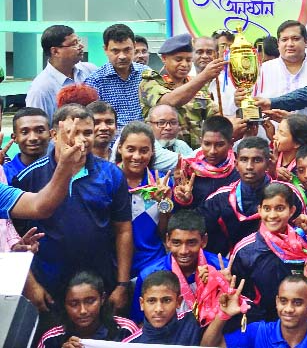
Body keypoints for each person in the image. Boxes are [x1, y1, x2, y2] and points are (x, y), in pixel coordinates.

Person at [12, 104, 133, 314]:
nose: (81, 140)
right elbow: (14, 238)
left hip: (100, 283)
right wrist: (32, 285)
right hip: (48, 285)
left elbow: (123, 230)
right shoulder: (27, 178)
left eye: (87, 133)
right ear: (53, 135)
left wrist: (122, 285)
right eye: (72, 133)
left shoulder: (112, 175)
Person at [230, 183, 307, 321]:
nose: (272, 215)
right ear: (259, 210)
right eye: (267, 208)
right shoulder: (244, 251)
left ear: (291, 211)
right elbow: (241, 297)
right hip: (262, 328)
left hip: (300, 324)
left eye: (280, 208)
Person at [201, 137, 300, 255]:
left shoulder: (289, 194)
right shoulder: (219, 199)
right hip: (232, 266)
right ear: (236, 164)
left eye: (257, 160)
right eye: (244, 160)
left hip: (280, 261)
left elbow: (301, 235)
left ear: (268, 164)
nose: (249, 166)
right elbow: (200, 236)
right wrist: (181, 202)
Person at [131, 210, 226, 323]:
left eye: (191, 243)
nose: (183, 251)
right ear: (167, 241)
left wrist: (225, 286)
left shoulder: (222, 268)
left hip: (212, 336)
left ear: (204, 241)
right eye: (176, 242)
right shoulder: (149, 275)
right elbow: (140, 323)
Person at [139, 33, 224, 149]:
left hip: (195, 155)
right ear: (164, 58)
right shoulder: (151, 82)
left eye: (188, 60)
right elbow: (169, 102)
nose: (184, 64)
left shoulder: (196, 84)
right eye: (178, 59)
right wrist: (204, 76)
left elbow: (214, 116)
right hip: (162, 154)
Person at [203, 275, 307, 348]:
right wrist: (223, 314)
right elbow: (208, 346)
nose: (288, 309)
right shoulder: (258, 332)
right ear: (276, 301)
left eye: (297, 302)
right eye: (283, 301)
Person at [116, 121, 171, 278]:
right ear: (120, 148)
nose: (137, 157)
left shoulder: (162, 182)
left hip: (152, 265)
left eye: (144, 150)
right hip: (115, 266)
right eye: (131, 149)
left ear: (153, 152)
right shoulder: (107, 180)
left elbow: (164, 233)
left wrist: (163, 203)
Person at [255, 20, 307, 126]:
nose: (290, 44)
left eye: (295, 39)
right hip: (268, 140)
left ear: (306, 42)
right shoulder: (261, 71)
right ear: (278, 44)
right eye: (284, 40)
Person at [36, 271, 139, 348]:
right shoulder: (50, 339)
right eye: (73, 304)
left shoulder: (125, 329)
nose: (83, 311)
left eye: (90, 301)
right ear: (64, 304)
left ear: (102, 299)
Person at [85, 24, 151, 128]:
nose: (122, 56)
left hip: (146, 138)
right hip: (112, 141)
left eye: (127, 50)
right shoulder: (95, 81)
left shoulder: (147, 74)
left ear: (134, 46)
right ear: (105, 49)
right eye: (115, 51)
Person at [27, 25, 95, 122]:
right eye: (74, 44)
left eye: (79, 41)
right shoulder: (40, 90)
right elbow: (37, 127)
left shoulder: (89, 70)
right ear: (55, 51)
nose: (81, 46)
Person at [173, 115, 240, 210]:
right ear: (201, 142)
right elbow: (181, 209)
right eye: (207, 144)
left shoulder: (239, 170)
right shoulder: (189, 169)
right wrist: (185, 200)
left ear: (231, 144)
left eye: (219, 145)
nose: (212, 151)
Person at [123, 270, 203, 345]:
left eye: (166, 300)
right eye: (151, 301)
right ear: (142, 303)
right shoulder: (131, 344)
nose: (159, 309)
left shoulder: (194, 322)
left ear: (178, 302)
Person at [5, 107, 50, 183]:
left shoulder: (60, 169)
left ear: (51, 134)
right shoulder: (5, 173)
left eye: (40, 131)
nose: (33, 138)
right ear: (14, 138)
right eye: (25, 132)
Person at [273, 113, 307, 183]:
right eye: (277, 130)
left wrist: (292, 181)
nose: (275, 136)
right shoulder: (271, 157)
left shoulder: (304, 168)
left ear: (297, 143)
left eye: (282, 133)